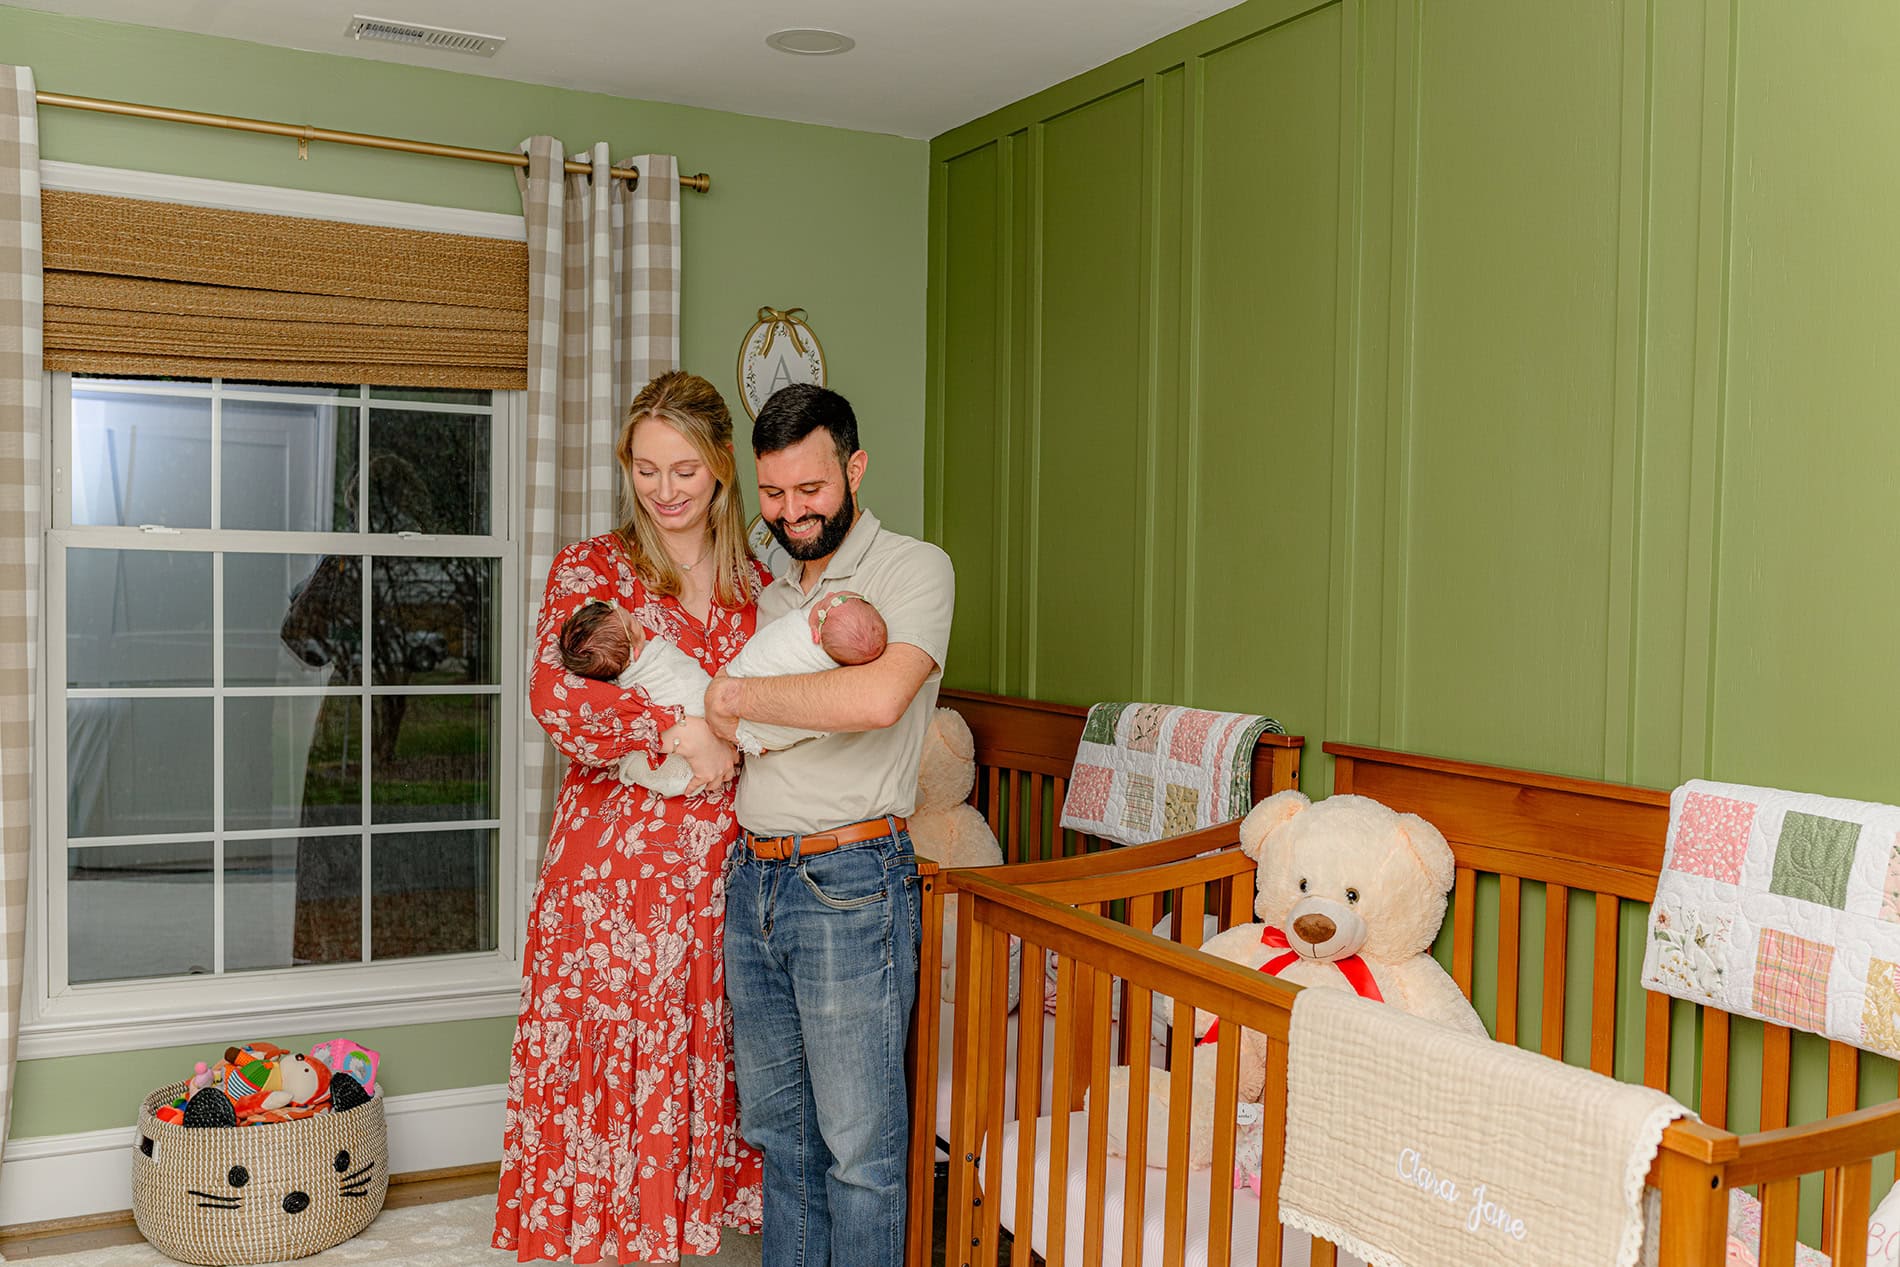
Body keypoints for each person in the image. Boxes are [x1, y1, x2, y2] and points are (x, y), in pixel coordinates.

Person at [493, 371, 766, 1264]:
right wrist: (674, 729)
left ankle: (678, 1230)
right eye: (645, 469)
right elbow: (555, 696)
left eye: (683, 468)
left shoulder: (760, 586)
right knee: (607, 1062)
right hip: (609, 879)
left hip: (718, 876)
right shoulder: (593, 568)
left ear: (721, 465)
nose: (665, 489)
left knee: (698, 1054)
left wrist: (730, 738)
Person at [704, 383, 956, 1266]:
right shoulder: (769, 589)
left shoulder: (913, 569)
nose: (790, 512)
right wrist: (750, 704)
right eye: (773, 493)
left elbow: (876, 697)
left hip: (850, 882)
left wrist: (738, 697)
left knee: (862, 1153)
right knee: (783, 1139)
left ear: (855, 469)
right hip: (754, 881)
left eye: (809, 489)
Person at [554, 594, 891, 796]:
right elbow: (560, 704)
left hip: (732, 829)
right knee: (646, 766)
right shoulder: (643, 661)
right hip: (688, 776)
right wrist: (690, 734)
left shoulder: (756, 579)